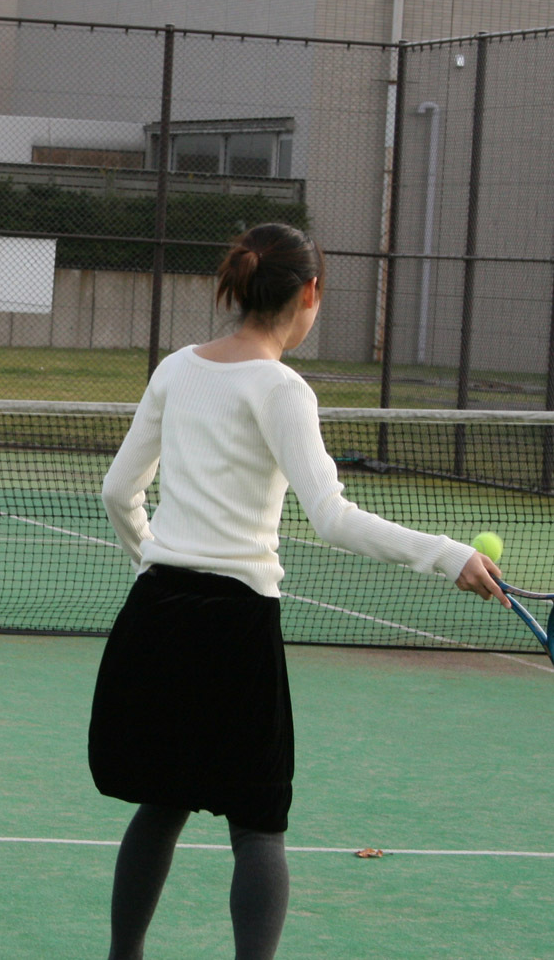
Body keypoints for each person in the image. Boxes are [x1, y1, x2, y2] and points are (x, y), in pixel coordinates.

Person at [89, 223, 506, 960]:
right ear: (308, 293)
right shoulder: (281, 387)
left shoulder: (173, 369)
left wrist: (150, 564)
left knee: (161, 804)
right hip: (235, 626)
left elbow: (119, 490)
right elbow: (332, 518)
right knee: (256, 827)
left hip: (156, 612)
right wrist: (446, 554)